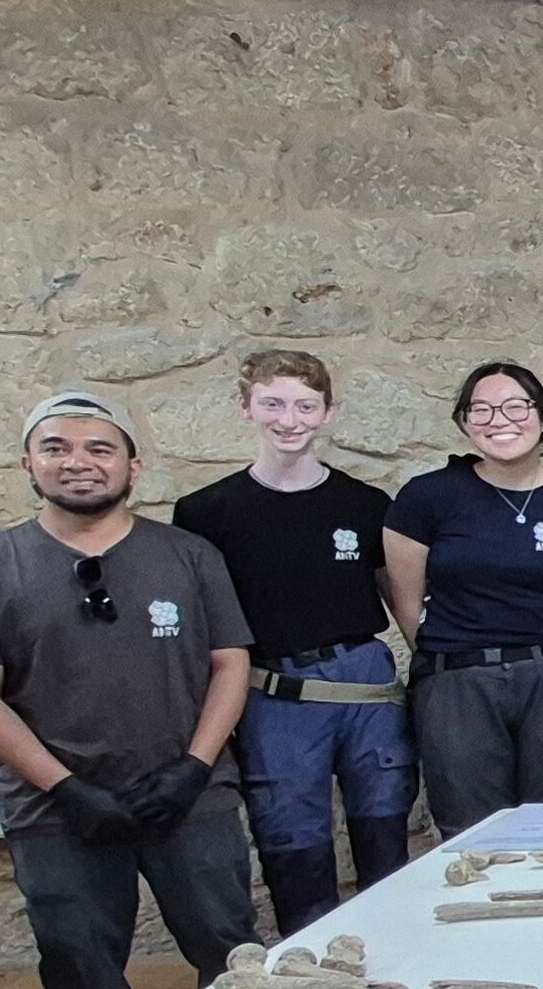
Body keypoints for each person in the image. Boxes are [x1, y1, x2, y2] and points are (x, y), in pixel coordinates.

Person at [0, 390, 258, 989]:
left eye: (99, 448)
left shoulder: (190, 556)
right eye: (56, 447)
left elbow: (230, 664)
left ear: (133, 468)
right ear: (28, 461)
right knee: (82, 969)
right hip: (56, 810)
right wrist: (68, 787)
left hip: (188, 796)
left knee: (230, 951)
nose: (78, 463)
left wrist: (195, 767)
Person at [167, 350, 411, 934]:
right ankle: (308, 958)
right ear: (246, 408)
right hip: (274, 691)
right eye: (273, 403)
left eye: (305, 405)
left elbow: (400, 597)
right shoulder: (206, 512)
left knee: (384, 825)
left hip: (364, 686)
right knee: (290, 836)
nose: (289, 419)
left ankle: (398, 946)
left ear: (328, 413)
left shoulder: (366, 504)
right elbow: (199, 623)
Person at [382, 362, 543, 836]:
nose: (498, 419)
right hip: (457, 683)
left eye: (515, 406)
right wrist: (455, 654)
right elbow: (407, 603)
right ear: (465, 422)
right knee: (472, 832)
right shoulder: (427, 498)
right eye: (480, 409)